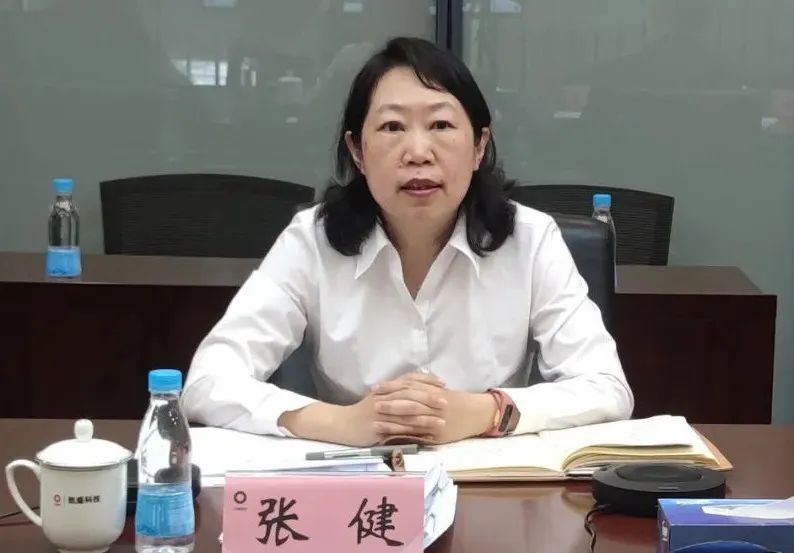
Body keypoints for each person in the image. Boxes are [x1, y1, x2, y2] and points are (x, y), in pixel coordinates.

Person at [181, 37, 633, 446]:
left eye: (441, 125)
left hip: (490, 484)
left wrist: (486, 411)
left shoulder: (530, 240)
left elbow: (607, 387)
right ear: (357, 151)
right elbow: (206, 382)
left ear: (479, 146)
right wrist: (341, 422)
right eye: (392, 127)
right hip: (358, 487)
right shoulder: (311, 241)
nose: (418, 152)